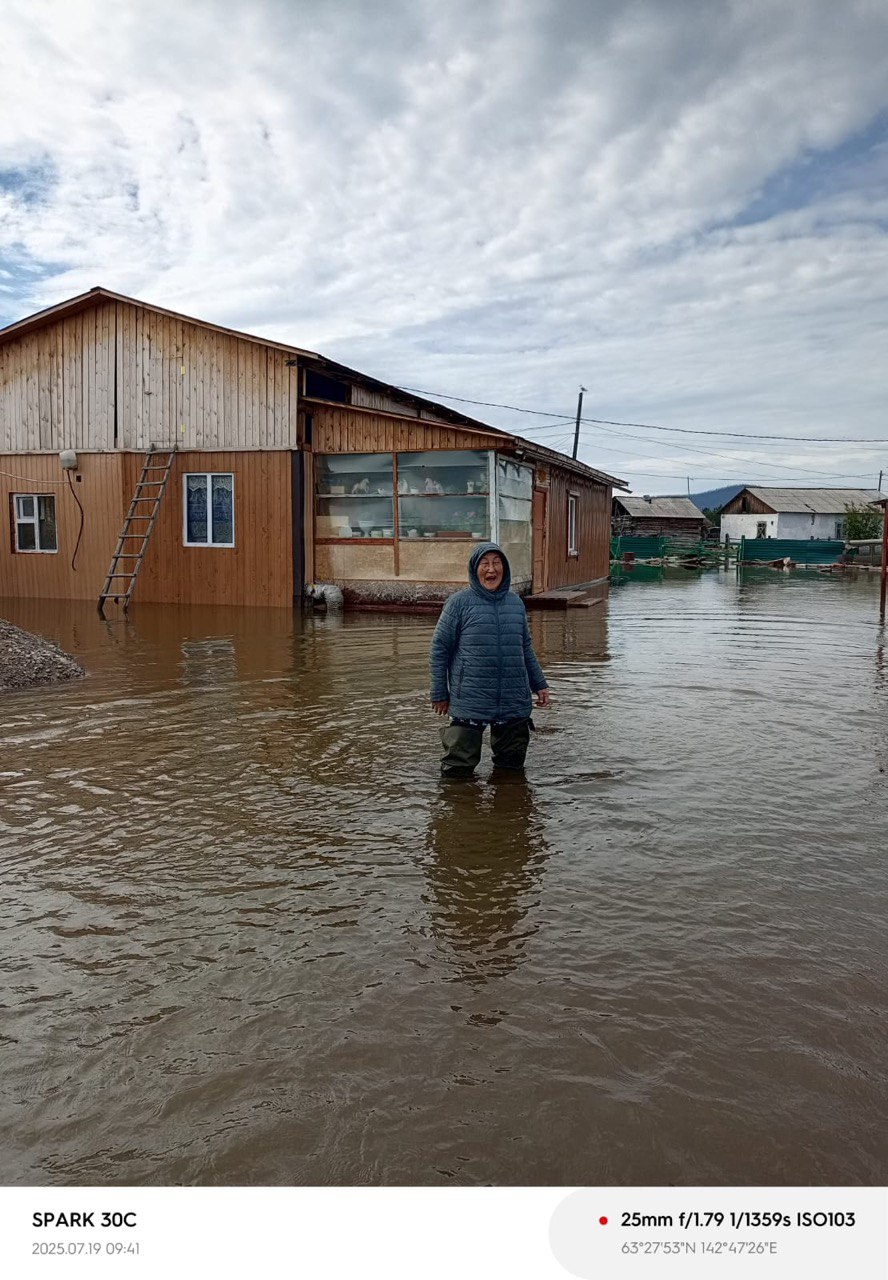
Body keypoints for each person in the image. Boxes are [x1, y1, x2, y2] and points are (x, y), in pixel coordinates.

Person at [429, 542, 550, 777]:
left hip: (512, 697)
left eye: (497, 563)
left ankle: (508, 811)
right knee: (457, 772)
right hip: (471, 698)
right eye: (484, 563)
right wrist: (439, 693)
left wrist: (539, 684)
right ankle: (459, 811)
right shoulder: (459, 604)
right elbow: (439, 648)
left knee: (511, 770)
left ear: (504, 568)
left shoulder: (516, 603)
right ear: (474, 569)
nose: (491, 569)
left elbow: (525, 648)